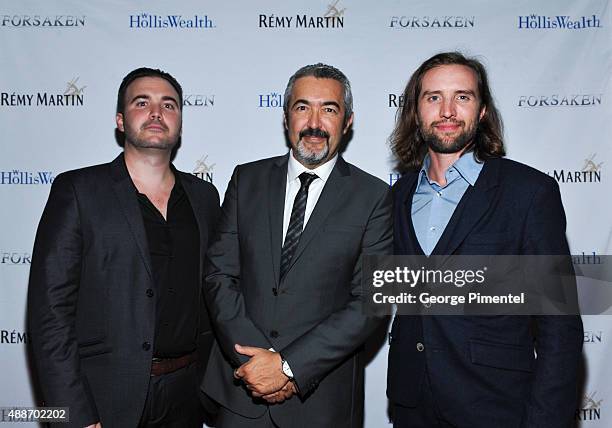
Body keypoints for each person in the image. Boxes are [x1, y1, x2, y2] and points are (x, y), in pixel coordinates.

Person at [387, 52, 583, 427]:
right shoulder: (396, 198)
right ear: (416, 112)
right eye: (433, 98)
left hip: (495, 407)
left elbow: (560, 326)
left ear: (481, 112)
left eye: (462, 97)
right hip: (412, 408)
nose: (447, 110)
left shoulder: (528, 193)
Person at [202, 63, 392, 427]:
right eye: (302, 107)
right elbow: (219, 275)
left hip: (321, 406)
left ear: (348, 121)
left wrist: (288, 367)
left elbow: (372, 300)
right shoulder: (247, 180)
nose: (315, 122)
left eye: (330, 109)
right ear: (286, 116)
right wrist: (256, 365)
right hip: (242, 397)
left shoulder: (373, 197)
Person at [27, 67, 220, 427]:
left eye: (169, 105)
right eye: (141, 102)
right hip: (104, 397)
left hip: (188, 394)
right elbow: (50, 314)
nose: (156, 113)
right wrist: (74, 415)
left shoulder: (205, 197)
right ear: (120, 120)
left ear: (179, 122)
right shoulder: (79, 191)